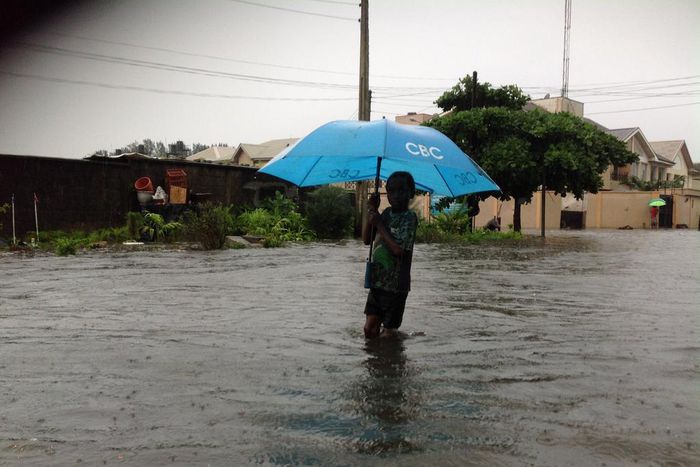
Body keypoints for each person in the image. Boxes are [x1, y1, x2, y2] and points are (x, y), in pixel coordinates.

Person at [362, 171, 418, 339]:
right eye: (392, 191)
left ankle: (391, 360)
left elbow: (398, 250)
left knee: (389, 336)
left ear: (411, 193)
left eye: (401, 191)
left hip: (396, 286)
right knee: (369, 329)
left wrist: (379, 224)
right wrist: (373, 210)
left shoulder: (409, 218)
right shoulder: (385, 213)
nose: (396, 196)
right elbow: (366, 240)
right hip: (378, 281)